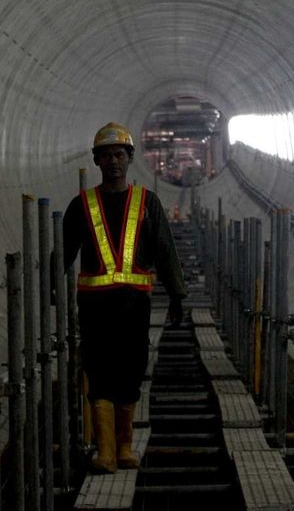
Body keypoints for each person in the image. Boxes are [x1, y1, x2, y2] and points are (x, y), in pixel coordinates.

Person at [62, 122, 187, 473]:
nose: (113, 162)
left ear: (129, 158)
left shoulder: (147, 203)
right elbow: (62, 254)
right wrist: (51, 291)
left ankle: (124, 446)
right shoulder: (81, 206)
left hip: (134, 306)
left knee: (131, 369)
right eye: (106, 156)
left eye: (119, 154)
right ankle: (104, 452)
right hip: (95, 307)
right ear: (97, 162)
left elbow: (165, 250)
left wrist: (177, 294)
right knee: (99, 370)